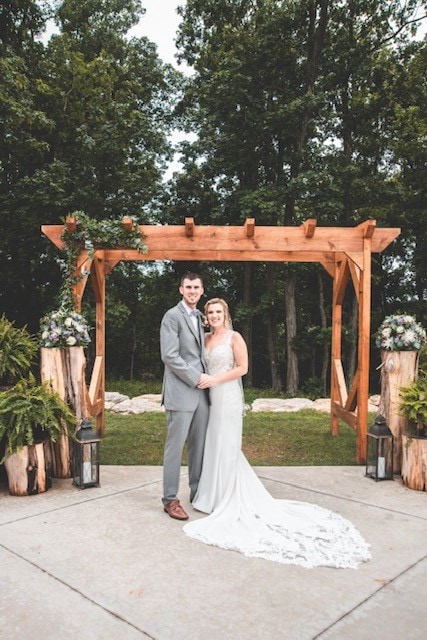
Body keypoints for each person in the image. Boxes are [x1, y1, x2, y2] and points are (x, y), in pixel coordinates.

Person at [184, 298, 371, 569]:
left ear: (226, 314)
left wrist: (214, 380)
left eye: (218, 312)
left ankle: (227, 498)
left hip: (227, 396)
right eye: (210, 312)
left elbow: (242, 368)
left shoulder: (234, 337)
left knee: (227, 445)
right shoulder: (204, 339)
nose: (214, 316)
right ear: (206, 316)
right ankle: (211, 495)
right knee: (214, 444)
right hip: (210, 397)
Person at [160, 272, 210, 521]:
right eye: (188, 287)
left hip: (202, 394)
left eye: (196, 287)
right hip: (182, 391)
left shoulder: (201, 317)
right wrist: (196, 377)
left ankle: (197, 492)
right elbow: (170, 355)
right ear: (181, 290)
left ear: (202, 291)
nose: (192, 291)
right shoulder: (172, 316)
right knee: (175, 447)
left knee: (198, 446)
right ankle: (170, 499)